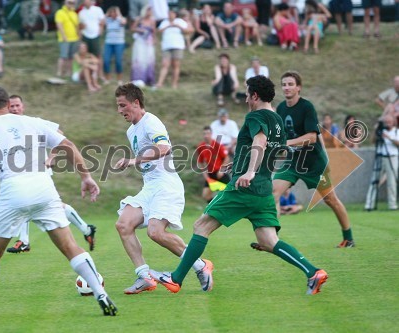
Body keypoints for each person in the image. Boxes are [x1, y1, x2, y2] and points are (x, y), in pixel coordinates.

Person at [149, 75, 328, 296]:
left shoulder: (256, 116)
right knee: (268, 239)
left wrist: (250, 171)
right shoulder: (277, 119)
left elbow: (260, 142)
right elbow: (276, 149)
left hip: (245, 187)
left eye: (246, 94)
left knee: (201, 227)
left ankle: (176, 278)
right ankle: (313, 272)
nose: (245, 99)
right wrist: (243, 160)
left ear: (254, 95)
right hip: (263, 189)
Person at [0, 86, 117, 321]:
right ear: (9, 104)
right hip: (44, 188)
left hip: (13, 191)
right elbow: (67, 145)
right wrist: (86, 176)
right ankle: (101, 293)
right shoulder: (33, 122)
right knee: (71, 247)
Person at [113, 83, 212, 294]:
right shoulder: (131, 131)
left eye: (123, 105)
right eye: (118, 106)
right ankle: (145, 276)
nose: (120, 111)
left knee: (155, 233)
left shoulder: (151, 122)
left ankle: (201, 266)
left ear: (136, 103)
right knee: (123, 225)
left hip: (167, 185)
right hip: (150, 187)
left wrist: (133, 160)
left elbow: (164, 148)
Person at [5, 94, 98, 253]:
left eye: (17, 105)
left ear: (22, 107)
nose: (14, 109)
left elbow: (59, 133)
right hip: (23, 172)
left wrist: (52, 156)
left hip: (40, 170)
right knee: (50, 205)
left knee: (26, 201)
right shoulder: (6, 127)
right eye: (11, 106)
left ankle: (24, 241)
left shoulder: (34, 122)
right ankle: (86, 229)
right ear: (7, 108)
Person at [272, 71, 355, 248]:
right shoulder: (281, 108)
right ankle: (271, 238)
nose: (286, 87)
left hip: (314, 164)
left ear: (298, 87)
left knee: (330, 200)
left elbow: (311, 138)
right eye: (284, 84)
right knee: (273, 193)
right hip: (293, 162)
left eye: (290, 84)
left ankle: (348, 238)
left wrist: (286, 142)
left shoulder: (307, 107)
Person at [364, 114, 399, 210]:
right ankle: (369, 204)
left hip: (392, 157)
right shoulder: (380, 131)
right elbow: (373, 141)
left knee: (392, 182)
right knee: (374, 180)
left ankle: (392, 204)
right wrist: (376, 131)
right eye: (386, 122)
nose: (388, 124)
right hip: (381, 156)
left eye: (389, 122)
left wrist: (388, 137)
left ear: (393, 122)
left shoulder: (396, 131)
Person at [155, 8, 190, 89]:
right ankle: (160, 83)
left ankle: (174, 84)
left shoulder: (180, 21)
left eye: (172, 13)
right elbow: (158, 31)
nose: (170, 15)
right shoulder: (164, 22)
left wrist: (178, 26)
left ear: (175, 14)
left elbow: (188, 31)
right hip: (166, 46)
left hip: (178, 45)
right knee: (165, 64)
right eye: (169, 13)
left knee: (176, 65)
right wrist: (168, 26)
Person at [196, 125, 230, 202]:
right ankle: (214, 209)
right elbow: (201, 163)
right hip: (210, 174)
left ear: (211, 134)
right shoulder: (201, 147)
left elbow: (226, 158)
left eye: (208, 133)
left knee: (229, 194)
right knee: (205, 195)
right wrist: (205, 176)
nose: (206, 136)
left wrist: (221, 170)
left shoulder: (217, 145)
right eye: (204, 134)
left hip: (220, 173)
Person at [78, 0, 105, 80]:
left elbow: (102, 21)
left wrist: (101, 29)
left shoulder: (97, 9)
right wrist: (81, 31)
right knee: (86, 56)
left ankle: (100, 74)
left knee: (98, 55)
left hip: (95, 36)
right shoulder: (81, 13)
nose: (86, 2)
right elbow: (80, 26)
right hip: (85, 36)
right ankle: (89, 74)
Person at [130, 4, 156, 87]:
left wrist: (154, 40)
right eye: (148, 10)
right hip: (140, 41)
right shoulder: (139, 19)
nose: (150, 12)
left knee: (149, 59)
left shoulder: (152, 20)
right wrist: (139, 29)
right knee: (139, 59)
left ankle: (149, 79)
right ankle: (138, 79)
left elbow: (153, 31)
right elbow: (132, 28)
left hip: (148, 42)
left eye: (151, 10)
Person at [55, 0, 80, 79]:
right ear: (65, 3)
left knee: (71, 57)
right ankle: (59, 72)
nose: (71, 4)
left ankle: (69, 72)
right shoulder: (60, 12)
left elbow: (77, 26)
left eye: (73, 3)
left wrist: (78, 35)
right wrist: (63, 36)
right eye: (69, 2)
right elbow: (59, 25)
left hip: (74, 38)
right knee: (63, 56)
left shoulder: (75, 14)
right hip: (65, 39)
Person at [103, 6, 126, 85]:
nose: (113, 14)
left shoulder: (120, 19)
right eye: (111, 12)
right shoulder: (108, 20)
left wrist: (119, 13)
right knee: (106, 61)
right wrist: (106, 14)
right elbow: (101, 22)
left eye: (114, 12)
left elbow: (123, 22)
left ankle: (119, 79)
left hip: (119, 43)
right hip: (108, 43)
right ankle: (107, 78)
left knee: (118, 61)